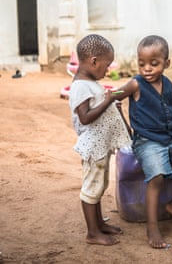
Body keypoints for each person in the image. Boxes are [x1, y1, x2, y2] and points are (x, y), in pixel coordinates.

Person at [114, 35, 172, 249]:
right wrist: (111, 96)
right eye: (141, 63)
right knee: (157, 178)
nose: (147, 69)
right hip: (147, 141)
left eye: (154, 64)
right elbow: (119, 91)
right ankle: (152, 226)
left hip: (170, 137)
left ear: (166, 63)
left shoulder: (167, 83)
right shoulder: (136, 84)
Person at [68, 34, 131, 246]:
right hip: (93, 147)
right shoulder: (80, 87)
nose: (108, 70)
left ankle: (99, 224)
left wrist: (112, 100)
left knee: (99, 185)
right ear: (94, 61)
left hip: (100, 146)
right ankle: (92, 233)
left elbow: (99, 106)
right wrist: (108, 101)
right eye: (106, 65)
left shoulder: (90, 83)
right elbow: (85, 118)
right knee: (91, 188)